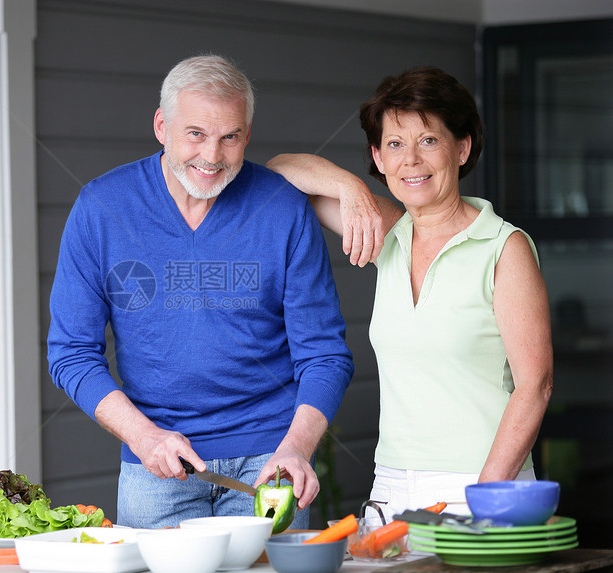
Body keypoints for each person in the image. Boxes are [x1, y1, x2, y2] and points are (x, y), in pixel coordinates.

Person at [47, 54, 354, 528]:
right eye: (195, 134)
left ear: (247, 133)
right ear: (161, 125)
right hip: (157, 467)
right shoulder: (101, 207)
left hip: (269, 466)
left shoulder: (283, 209)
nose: (212, 156)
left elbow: (325, 355)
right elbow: (71, 353)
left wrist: (295, 448)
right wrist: (144, 438)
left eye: (229, 136)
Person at [268, 66, 553, 520]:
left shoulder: (504, 249)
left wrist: (482, 500)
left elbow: (534, 387)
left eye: (429, 141)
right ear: (378, 158)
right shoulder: (391, 235)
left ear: (461, 148)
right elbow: (279, 174)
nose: (411, 161)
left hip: (486, 483)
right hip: (392, 487)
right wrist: (349, 188)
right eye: (395, 145)